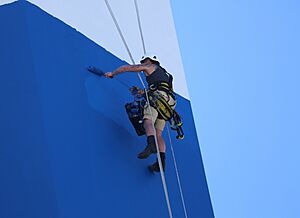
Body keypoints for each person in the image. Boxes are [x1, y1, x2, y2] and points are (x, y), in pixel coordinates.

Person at [104, 54, 176, 172]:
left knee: (147, 121)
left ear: (151, 61)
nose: (143, 63)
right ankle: (161, 163)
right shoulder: (167, 75)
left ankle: (151, 145)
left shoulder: (149, 66)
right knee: (158, 134)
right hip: (169, 104)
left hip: (158, 98)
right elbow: (161, 88)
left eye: (144, 60)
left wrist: (112, 73)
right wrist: (141, 92)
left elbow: (127, 68)